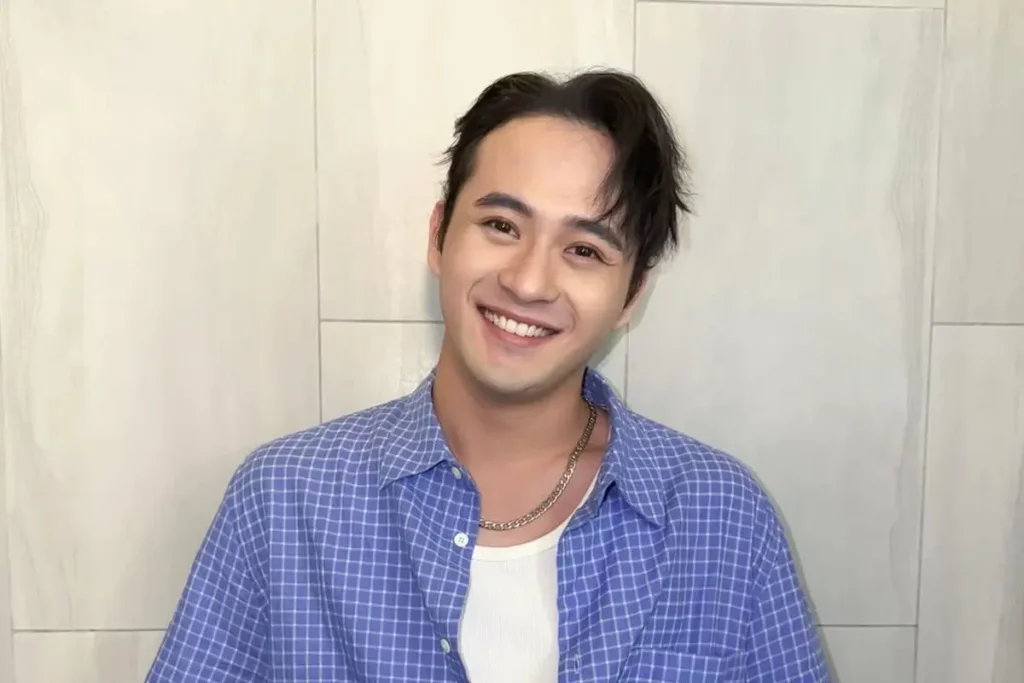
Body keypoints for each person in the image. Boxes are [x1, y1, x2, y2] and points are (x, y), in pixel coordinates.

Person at [146, 69, 831, 682]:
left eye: (584, 250)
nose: (529, 281)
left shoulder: (722, 517)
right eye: (502, 225)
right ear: (439, 234)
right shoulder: (285, 500)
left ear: (631, 295)